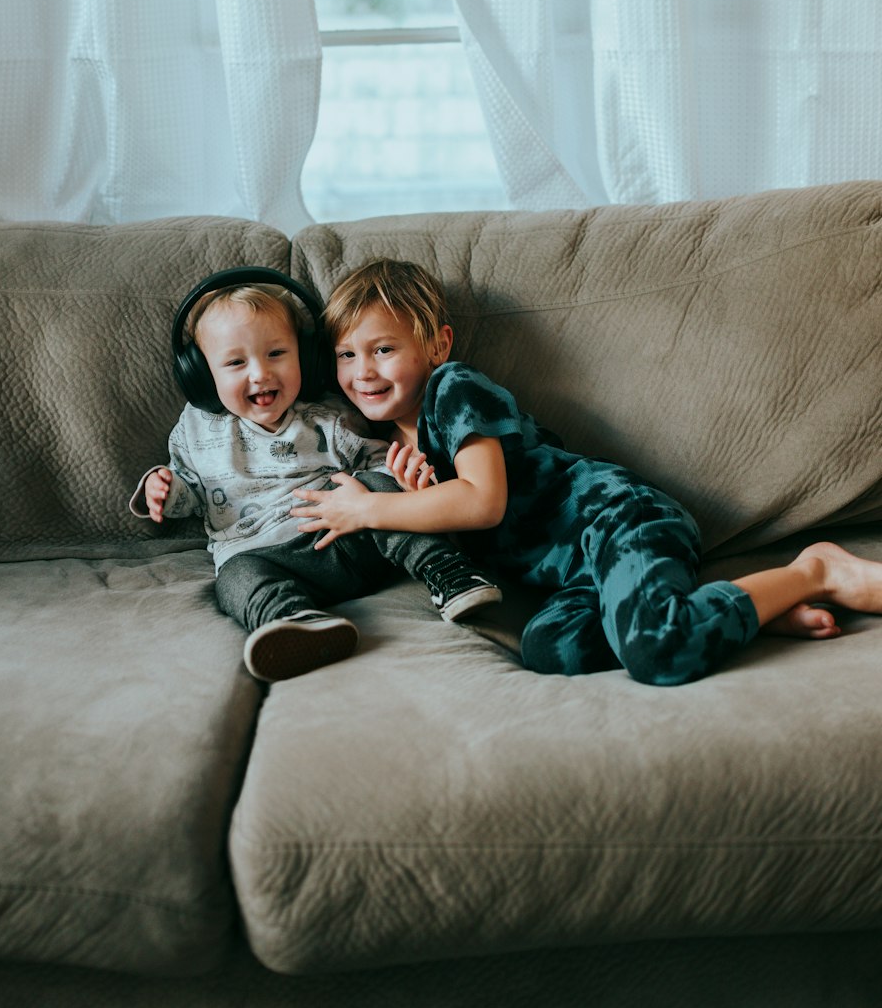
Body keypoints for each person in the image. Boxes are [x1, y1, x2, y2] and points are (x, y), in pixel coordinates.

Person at [290, 257, 882, 687]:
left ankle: (815, 571)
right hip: (578, 574)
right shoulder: (392, 447)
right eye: (346, 354)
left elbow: (484, 501)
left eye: (383, 349)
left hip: (619, 519)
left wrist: (370, 508)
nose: (362, 370)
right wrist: (424, 505)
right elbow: (466, 528)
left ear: (437, 345)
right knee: (550, 648)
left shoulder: (455, 388)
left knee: (658, 651)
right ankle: (727, 608)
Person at [130, 272, 501, 683]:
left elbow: (377, 460)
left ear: (305, 359)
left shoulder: (328, 415)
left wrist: (399, 478)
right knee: (233, 578)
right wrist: (163, 490)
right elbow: (190, 493)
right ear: (202, 375)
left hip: (343, 536)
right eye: (236, 362)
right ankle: (291, 621)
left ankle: (448, 572)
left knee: (378, 490)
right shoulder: (196, 431)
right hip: (264, 556)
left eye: (276, 354)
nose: (260, 374)